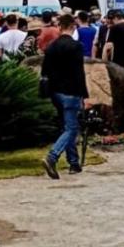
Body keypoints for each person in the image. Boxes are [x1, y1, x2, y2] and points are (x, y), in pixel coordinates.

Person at [41, 13, 90, 178]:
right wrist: (85, 95)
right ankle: (52, 156)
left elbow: (45, 71)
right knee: (72, 128)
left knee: (67, 126)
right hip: (71, 91)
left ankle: (74, 162)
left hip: (55, 91)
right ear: (73, 27)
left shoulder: (51, 47)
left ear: (59, 27)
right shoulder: (75, 47)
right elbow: (79, 73)